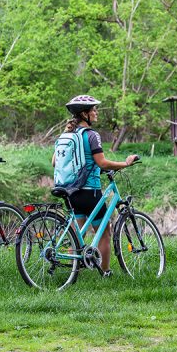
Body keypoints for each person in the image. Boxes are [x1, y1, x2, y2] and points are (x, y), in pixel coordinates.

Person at [55, 95, 139, 277]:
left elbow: (55, 162)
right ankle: (106, 272)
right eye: (93, 110)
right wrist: (125, 164)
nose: (96, 113)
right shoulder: (91, 135)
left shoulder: (67, 135)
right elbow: (101, 163)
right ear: (85, 114)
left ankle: (72, 272)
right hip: (89, 192)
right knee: (104, 233)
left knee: (77, 235)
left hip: (71, 192)